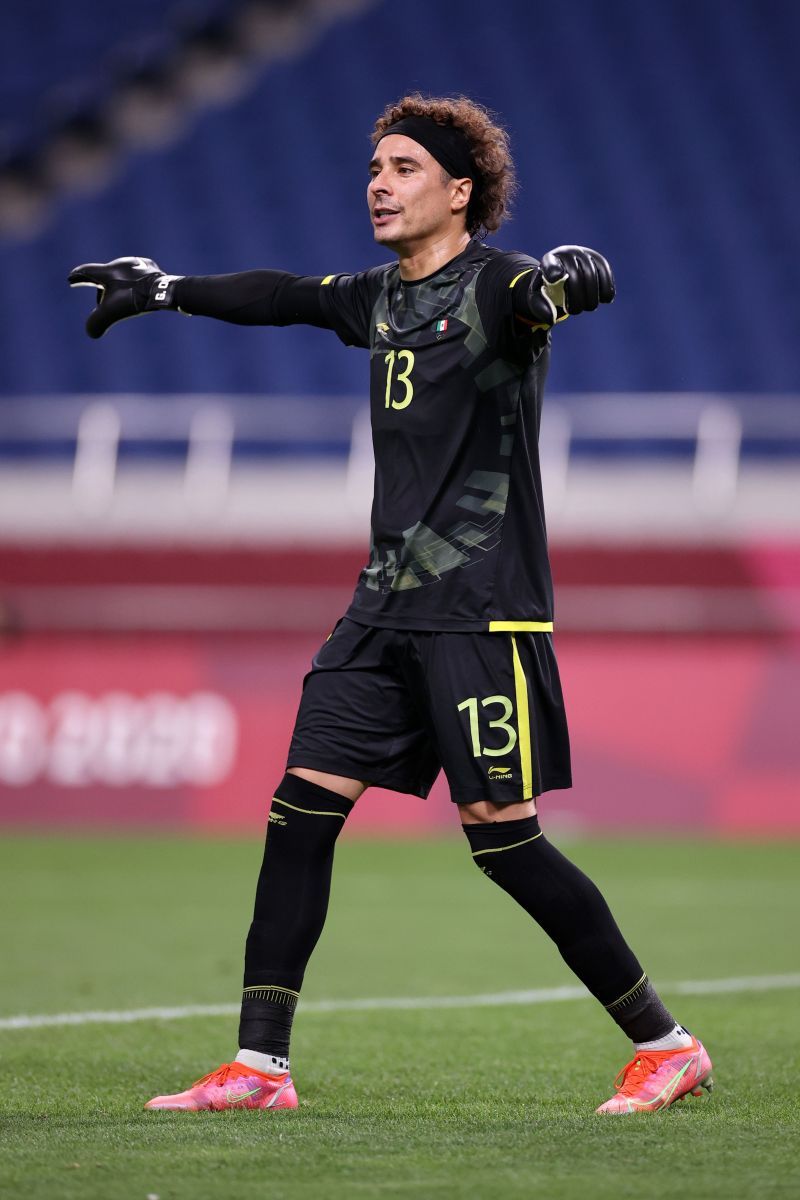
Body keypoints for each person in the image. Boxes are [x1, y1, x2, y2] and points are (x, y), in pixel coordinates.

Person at [69, 93, 712, 1115]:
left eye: (404, 167)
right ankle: (259, 1065)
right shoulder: (376, 298)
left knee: (501, 840)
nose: (378, 181)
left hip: (479, 608)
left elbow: (544, 294)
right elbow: (279, 295)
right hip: (379, 608)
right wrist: (166, 290)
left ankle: (665, 1043)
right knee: (298, 812)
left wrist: (569, 277)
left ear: (459, 192)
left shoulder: (498, 286)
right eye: (375, 167)